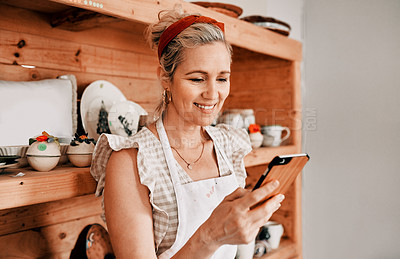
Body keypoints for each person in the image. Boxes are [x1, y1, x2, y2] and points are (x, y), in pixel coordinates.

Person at [90, 9, 285, 259]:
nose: (213, 94)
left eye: (222, 79)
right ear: (165, 78)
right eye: (197, 79)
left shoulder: (228, 145)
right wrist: (210, 235)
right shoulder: (132, 162)